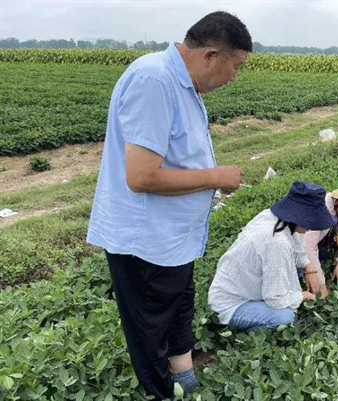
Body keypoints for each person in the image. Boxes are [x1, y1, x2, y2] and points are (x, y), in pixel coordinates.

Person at [86, 12, 252, 400]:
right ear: (211, 55)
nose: (234, 77)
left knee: (177, 307)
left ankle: (184, 379)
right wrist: (215, 177)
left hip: (174, 239)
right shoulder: (154, 80)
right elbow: (142, 177)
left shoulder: (183, 84)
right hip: (148, 242)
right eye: (235, 66)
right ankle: (159, 392)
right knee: (150, 327)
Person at [208, 181, 337, 332]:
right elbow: (275, 299)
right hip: (231, 304)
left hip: (235, 288)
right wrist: (302, 296)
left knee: (300, 268)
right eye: (311, 220)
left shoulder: (274, 218)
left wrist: (309, 268)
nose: (311, 226)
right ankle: (241, 334)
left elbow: (296, 249)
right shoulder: (276, 243)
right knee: (284, 317)